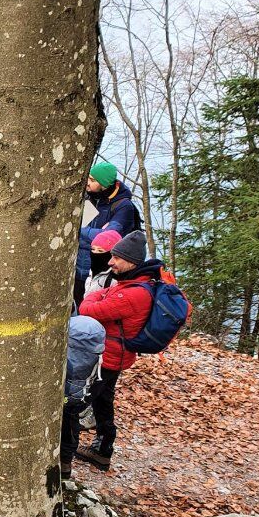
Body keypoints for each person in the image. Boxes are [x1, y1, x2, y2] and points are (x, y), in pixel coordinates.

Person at [77, 231, 161, 471]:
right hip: (114, 353)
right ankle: (102, 450)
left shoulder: (132, 293)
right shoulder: (132, 284)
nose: (110, 262)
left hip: (109, 356)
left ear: (132, 262)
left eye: (116, 258)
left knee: (76, 403)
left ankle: (64, 458)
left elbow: (87, 307)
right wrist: (101, 297)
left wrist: (98, 297)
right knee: (103, 401)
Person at [76, 161, 141, 306]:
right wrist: (93, 233)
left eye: (92, 180)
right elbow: (96, 234)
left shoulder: (123, 206)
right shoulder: (91, 197)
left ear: (104, 184)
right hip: (79, 268)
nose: (87, 182)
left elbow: (107, 238)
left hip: (103, 271)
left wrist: (78, 231)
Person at [59, 315, 106, 480]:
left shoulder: (63, 349)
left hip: (61, 394)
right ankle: (66, 464)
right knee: (70, 428)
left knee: (62, 427)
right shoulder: (97, 357)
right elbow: (99, 383)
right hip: (79, 398)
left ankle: (62, 465)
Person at [84, 229, 122, 298]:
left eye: (100, 250)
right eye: (93, 249)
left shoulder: (115, 278)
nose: (95, 253)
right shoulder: (93, 269)